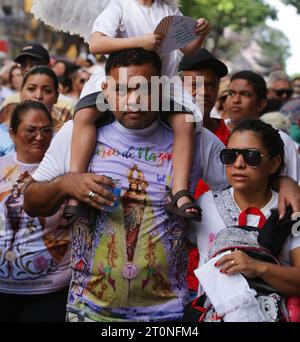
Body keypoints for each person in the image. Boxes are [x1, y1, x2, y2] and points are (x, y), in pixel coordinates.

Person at [24, 49, 300, 322]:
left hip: (168, 316)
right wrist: (65, 185)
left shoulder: (196, 139)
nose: (133, 101)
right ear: (106, 90)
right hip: (88, 312)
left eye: (144, 89)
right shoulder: (78, 133)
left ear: (161, 89)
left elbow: (247, 178)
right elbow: (32, 201)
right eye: (121, 90)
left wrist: (284, 182)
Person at [67, 0, 211, 220]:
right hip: (120, 88)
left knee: (186, 121)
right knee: (83, 115)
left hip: (161, 87)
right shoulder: (118, 5)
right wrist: (139, 42)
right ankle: (75, 181)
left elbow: (189, 52)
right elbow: (97, 43)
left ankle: (180, 190)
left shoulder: (168, 11)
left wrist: (199, 36)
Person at [188, 119, 300, 322]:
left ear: (274, 163)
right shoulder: (204, 205)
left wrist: (259, 267)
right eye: (229, 156)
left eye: (251, 156)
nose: (238, 164)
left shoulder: (291, 209)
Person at [0, 100, 71, 322]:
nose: (39, 137)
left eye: (46, 130)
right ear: (12, 133)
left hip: (50, 291)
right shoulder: (1, 166)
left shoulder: (67, 171)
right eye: (30, 130)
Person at [178, 49, 230, 297]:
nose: (206, 91)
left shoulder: (222, 142)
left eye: (212, 84)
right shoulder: (147, 130)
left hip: (209, 277)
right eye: (196, 83)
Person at [225, 71, 300, 182]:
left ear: (261, 104)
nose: (236, 100)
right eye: (231, 93)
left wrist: (286, 184)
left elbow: (293, 185)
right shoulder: (211, 132)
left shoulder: (281, 139)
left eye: (245, 94)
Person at [0, 44, 74, 124]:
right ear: (21, 94)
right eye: (23, 64)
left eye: (34, 64)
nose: (28, 68)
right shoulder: (9, 103)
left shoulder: (67, 106)